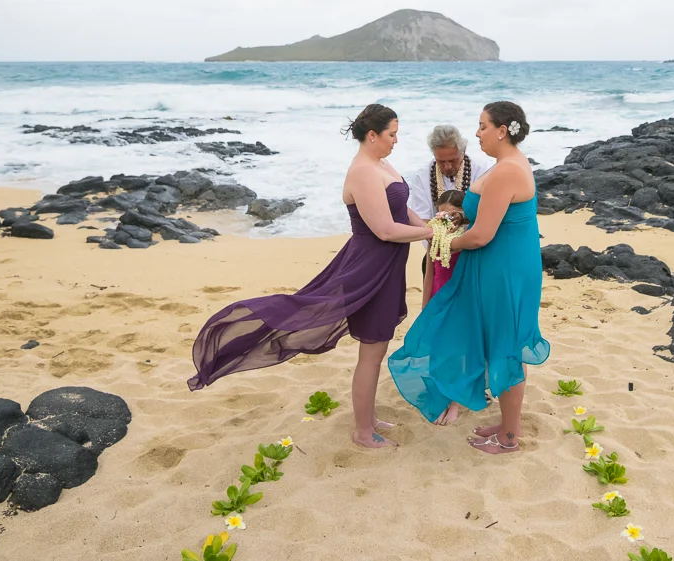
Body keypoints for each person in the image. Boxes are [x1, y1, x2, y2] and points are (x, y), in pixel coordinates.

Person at [187, 104, 430, 450]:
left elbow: (401, 208)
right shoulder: (362, 171)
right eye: (392, 134)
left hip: (387, 267)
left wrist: (426, 227)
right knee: (371, 351)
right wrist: (430, 234)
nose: (396, 140)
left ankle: (369, 418)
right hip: (368, 267)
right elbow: (385, 230)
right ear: (372, 135)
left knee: (377, 345)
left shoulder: (381, 163)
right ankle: (362, 432)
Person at [387, 101, 550, 455]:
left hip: (503, 269)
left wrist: (443, 243)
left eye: (482, 126)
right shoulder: (505, 165)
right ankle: (509, 424)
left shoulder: (507, 170)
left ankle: (508, 438)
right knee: (501, 343)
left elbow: (482, 236)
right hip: (500, 264)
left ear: (502, 130)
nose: (477, 133)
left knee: (507, 347)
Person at [406, 124, 492, 306]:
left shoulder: (482, 170)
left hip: (475, 256)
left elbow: (488, 214)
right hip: (436, 254)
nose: (447, 166)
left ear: (463, 151)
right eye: (441, 161)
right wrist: (439, 237)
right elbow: (422, 220)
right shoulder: (422, 176)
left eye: (452, 160)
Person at [424, 189, 468, 303]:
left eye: (452, 216)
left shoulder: (470, 239)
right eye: (443, 217)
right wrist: (424, 307)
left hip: (463, 296)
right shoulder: (435, 239)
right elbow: (429, 276)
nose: (448, 221)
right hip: (438, 294)